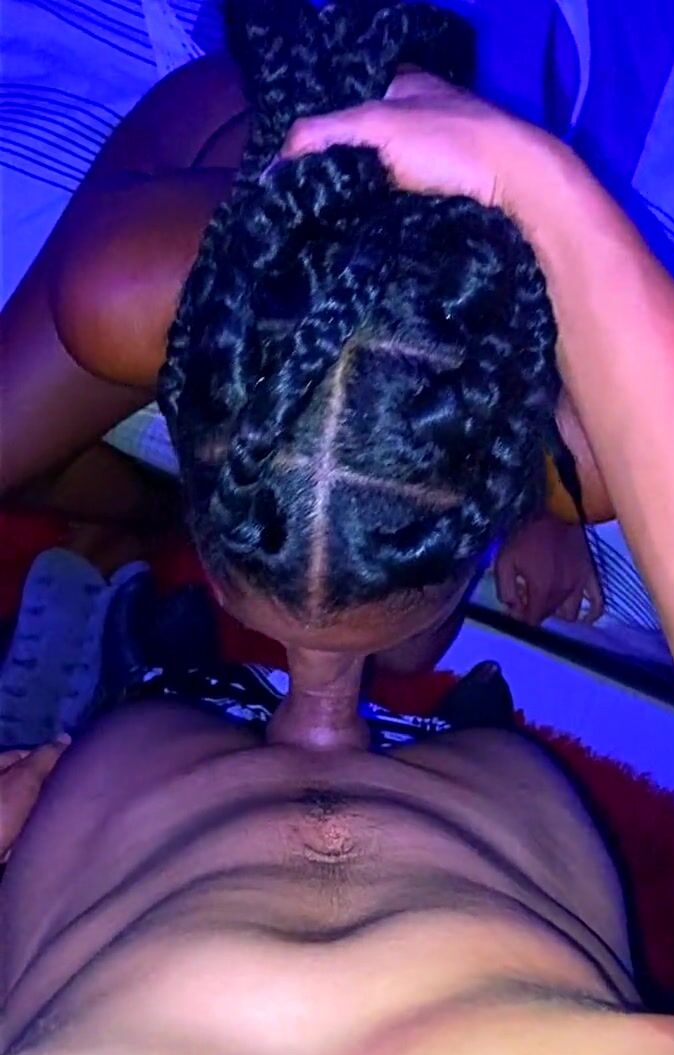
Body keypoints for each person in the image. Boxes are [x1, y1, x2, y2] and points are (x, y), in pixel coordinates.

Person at [3, 39, 674, 1055]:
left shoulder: (574, 442)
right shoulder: (132, 279)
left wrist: (547, 491)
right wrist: (544, 192)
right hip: (461, 788)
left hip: (153, 761)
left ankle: (153, 652)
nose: (318, 715)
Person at [0, 1, 603, 673]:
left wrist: (543, 511)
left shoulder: (591, 452)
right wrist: (546, 505)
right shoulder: (120, 284)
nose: (312, 703)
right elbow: (184, 107)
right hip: (291, 117)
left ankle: (164, 537)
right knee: (401, 642)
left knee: (407, 650)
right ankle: (160, 532)